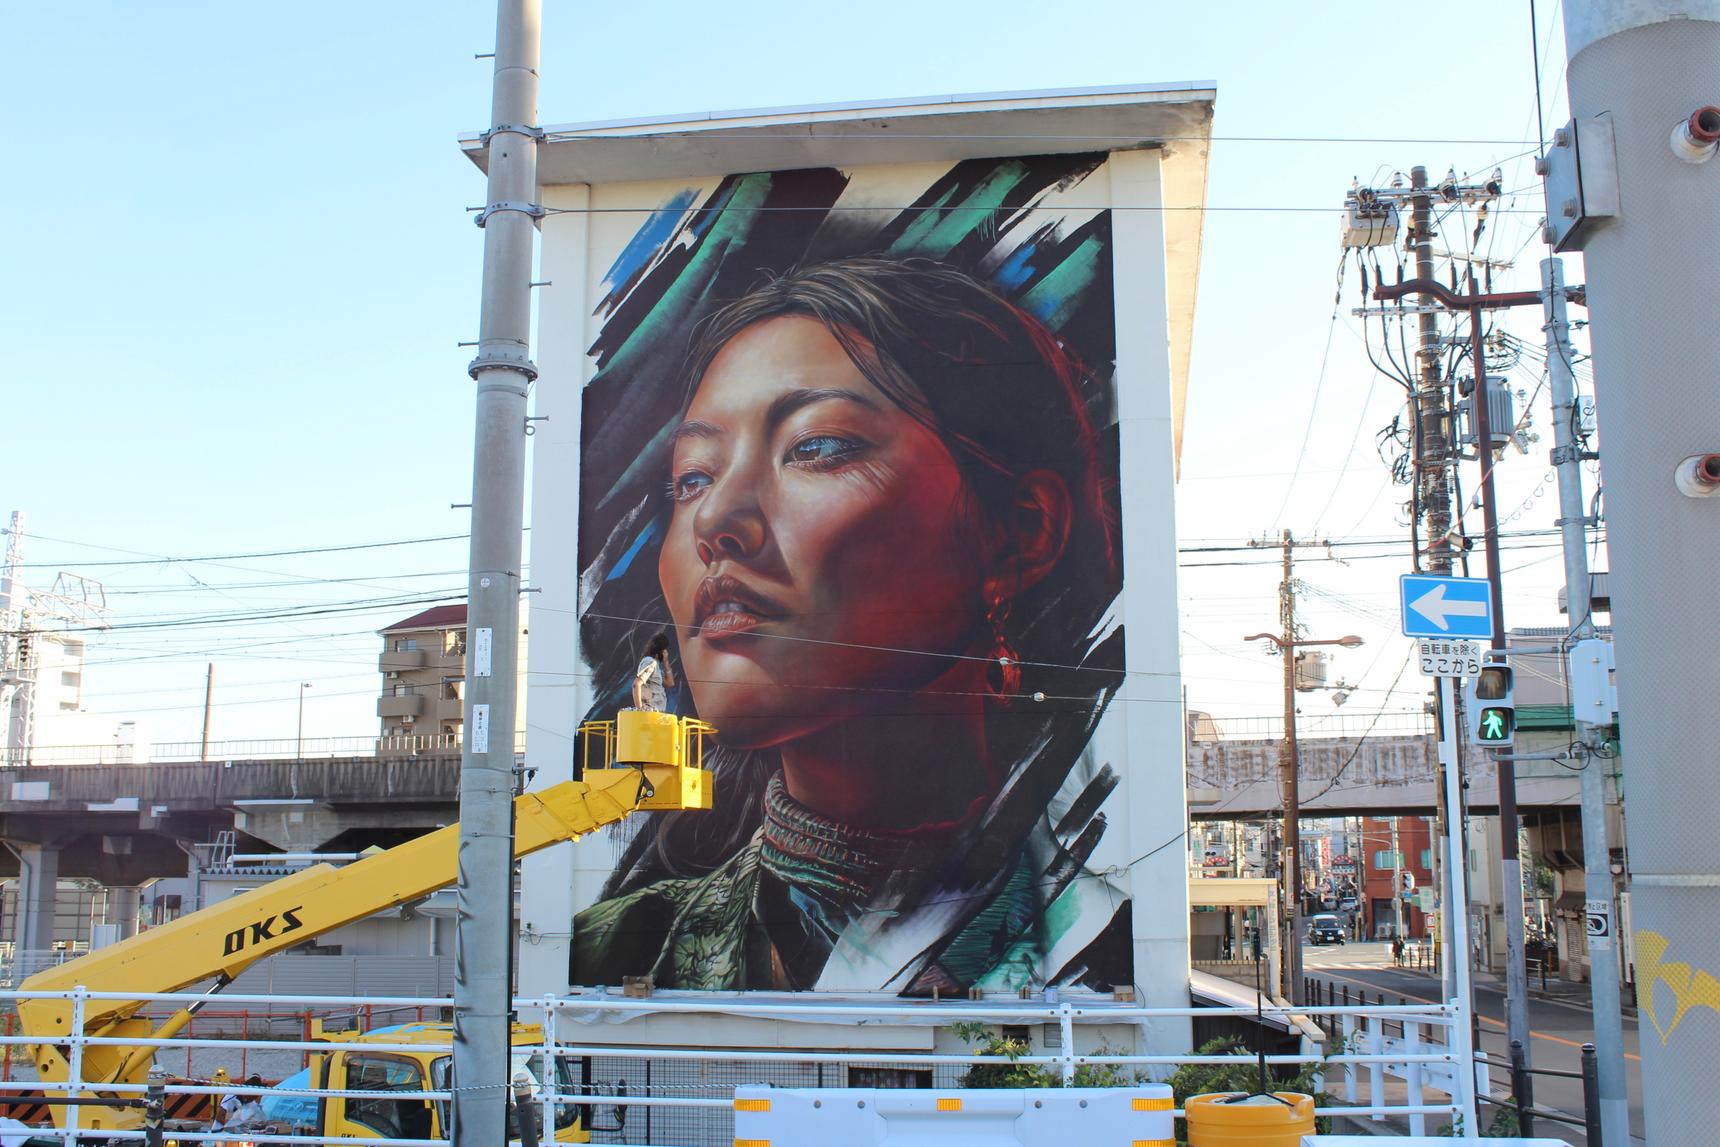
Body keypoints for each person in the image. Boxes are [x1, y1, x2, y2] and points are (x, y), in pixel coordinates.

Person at [574, 256, 1125, 994]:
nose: (714, 520)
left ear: (1021, 532)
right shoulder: (617, 949)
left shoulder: (1098, 941)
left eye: (817, 448)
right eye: (693, 477)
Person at [631, 632, 676, 712]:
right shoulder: (651, 662)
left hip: (656, 713)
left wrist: (666, 662)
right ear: (661, 650)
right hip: (649, 712)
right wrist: (639, 710)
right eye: (665, 649)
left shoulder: (655, 666)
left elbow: (670, 683)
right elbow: (636, 684)